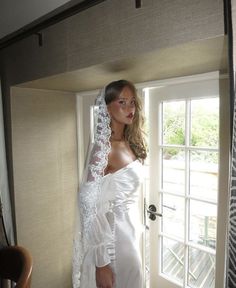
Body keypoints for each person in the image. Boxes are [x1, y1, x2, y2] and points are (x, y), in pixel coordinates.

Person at [72, 80, 147, 288]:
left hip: (130, 232)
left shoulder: (129, 142)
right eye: (121, 102)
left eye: (132, 102)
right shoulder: (103, 150)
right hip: (115, 241)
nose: (129, 108)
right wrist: (101, 263)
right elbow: (87, 203)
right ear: (106, 108)